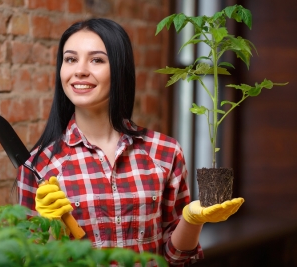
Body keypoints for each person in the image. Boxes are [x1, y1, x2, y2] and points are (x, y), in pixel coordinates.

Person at [17, 18, 244, 266]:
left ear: (120, 69)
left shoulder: (165, 152)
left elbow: (176, 258)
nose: (79, 70)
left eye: (97, 60)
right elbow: (30, 260)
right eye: (70, 59)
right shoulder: (39, 165)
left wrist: (192, 220)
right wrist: (51, 230)